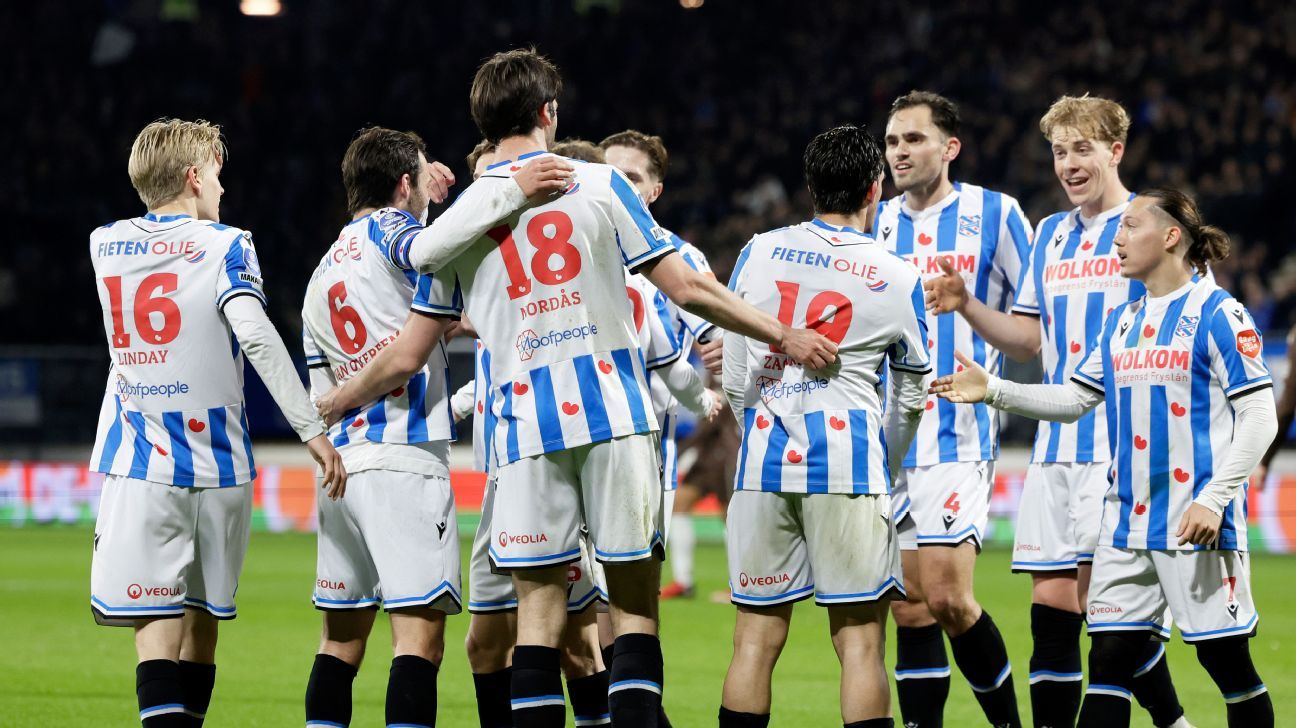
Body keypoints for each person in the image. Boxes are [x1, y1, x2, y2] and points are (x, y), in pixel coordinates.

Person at [316, 48, 836, 727]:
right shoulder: (599, 184)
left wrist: (329, 401)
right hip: (613, 417)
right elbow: (688, 287)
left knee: (537, 618)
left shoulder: (455, 224)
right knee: (633, 612)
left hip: (523, 433)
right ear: (547, 113)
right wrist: (783, 335)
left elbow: (408, 355)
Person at [931, 188, 1276, 728]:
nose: (1117, 237)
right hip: (1124, 523)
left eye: (1131, 226)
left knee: (1226, 663)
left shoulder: (1219, 314)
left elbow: (1261, 417)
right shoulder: (1123, 321)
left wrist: (1213, 500)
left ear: (1170, 237)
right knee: (1109, 662)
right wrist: (994, 389)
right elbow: (1073, 398)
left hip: (1194, 523)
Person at [925, 95, 1190, 727]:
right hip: (1056, 444)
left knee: (1111, 620)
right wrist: (966, 306)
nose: (1068, 164)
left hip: (1123, 447)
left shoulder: (1144, 226)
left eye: (1082, 149)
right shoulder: (1050, 234)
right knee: (1052, 613)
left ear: (1115, 151)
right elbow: (1028, 338)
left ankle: (1174, 720)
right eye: (1058, 151)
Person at [88, 118, 345, 727]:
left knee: (155, 632)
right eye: (219, 175)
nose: (224, 190)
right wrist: (311, 429)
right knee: (201, 631)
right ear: (194, 176)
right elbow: (255, 334)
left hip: (141, 462)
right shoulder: (229, 244)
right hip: (220, 467)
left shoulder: (103, 243)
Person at [718, 124, 929, 728]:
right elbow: (911, 393)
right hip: (849, 467)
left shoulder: (758, 250)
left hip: (763, 464)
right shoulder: (897, 274)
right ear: (875, 188)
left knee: (754, 641)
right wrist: (886, 463)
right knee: (860, 644)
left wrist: (756, 429)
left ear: (810, 187)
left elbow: (736, 373)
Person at [296, 126, 473, 727]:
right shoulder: (397, 230)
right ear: (404, 185)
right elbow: (429, 256)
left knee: (340, 645)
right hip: (404, 459)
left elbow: (327, 388)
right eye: (422, 177)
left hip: (344, 473)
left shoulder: (321, 273)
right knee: (418, 643)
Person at [873, 91, 1032, 728]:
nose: (900, 153)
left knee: (947, 596)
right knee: (909, 605)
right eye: (891, 142)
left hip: (957, 428)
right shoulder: (874, 222)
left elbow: (1031, 329)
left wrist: (967, 309)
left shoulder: (997, 214)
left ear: (950, 147)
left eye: (913, 139)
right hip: (884, 435)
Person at [453, 140, 612, 728]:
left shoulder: (550, 285)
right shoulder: (487, 280)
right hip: (501, 478)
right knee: (486, 645)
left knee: (571, 646)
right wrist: (461, 403)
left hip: (543, 463)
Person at [601, 129, 722, 601]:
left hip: (646, 448)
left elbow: (720, 340)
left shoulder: (680, 258)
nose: (618, 185)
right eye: (609, 174)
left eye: (631, 178)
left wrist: (721, 347)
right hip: (561, 437)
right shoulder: (567, 247)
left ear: (654, 192)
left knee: (628, 596)